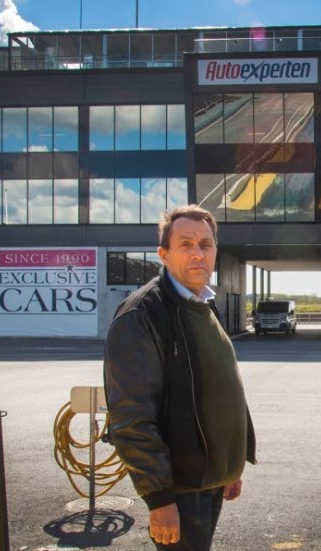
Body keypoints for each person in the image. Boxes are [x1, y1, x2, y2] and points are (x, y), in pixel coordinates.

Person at [104, 204, 257, 551]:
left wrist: (231, 465)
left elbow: (221, 385)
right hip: (179, 486)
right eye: (186, 244)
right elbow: (131, 419)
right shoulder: (143, 315)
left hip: (211, 478)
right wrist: (159, 499)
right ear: (164, 254)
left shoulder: (202, 303)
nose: (198, 253)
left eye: (206, 244)